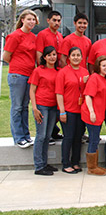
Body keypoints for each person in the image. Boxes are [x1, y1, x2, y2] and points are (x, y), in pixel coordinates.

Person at [3, 9, 39, 148]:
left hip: (29, 75)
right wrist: (19, 64)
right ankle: (18, 137)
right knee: (17, 107)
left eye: (33, 20)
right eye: (29, 19)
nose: (31, 22)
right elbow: (6, 56)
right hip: (17, 75)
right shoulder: (15, 36)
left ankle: (26, 135)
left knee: (25, 106)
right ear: (22, 19)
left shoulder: (33, 37)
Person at [56, 47, 89, 174]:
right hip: (68, 110)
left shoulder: (85, 71)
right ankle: (66, 163)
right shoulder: (63, 72)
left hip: (81, 110)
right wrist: (62, 111)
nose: (76, 57)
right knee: (68, 137)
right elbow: (59, 93)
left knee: (78, 137)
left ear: (82, 57)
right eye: (73, 55)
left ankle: (75, 162)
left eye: (78, 55)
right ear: (68, 57)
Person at [29, 46, 59, 175]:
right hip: (41, 106)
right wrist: (34, 108)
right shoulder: (38, 71)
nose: (52, 57)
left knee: (48, 136)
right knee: (40, 136)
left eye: (54, 54)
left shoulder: (58, 71)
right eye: (49, 55)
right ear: (44, 57)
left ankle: (44, 163)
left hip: (53, 107)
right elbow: (32, 90)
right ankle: (39, 166)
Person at [35, 10, 64, 143]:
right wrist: (42, 69)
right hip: (46, 72)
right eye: (54, 20)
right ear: (48, 20)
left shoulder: (60, 35)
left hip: (56, 73)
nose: (57, 23)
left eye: (59, 21)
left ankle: (53, 130)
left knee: (56, 104)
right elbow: (39, 53)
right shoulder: (42, 34)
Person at [81, 55, 106, 176]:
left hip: (99, 113)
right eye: (103, 65)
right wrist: (92, 112)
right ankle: (91, 167)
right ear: (98, 67)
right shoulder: (94, 78)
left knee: (95, 138)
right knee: (93, 139)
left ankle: (95, 165)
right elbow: (88, 95)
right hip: (92, 113)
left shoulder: (103, 78)